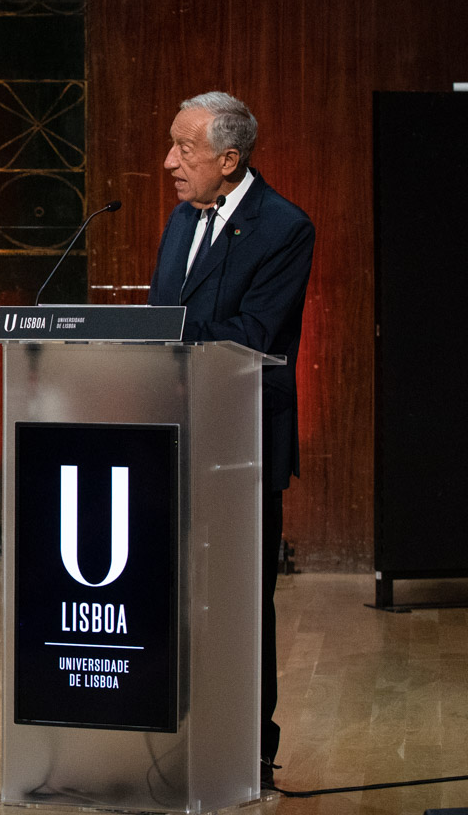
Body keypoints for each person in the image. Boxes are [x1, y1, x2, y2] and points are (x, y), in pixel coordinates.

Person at [147, 92, 313, 789]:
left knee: (240, 602)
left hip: (241, 442)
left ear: (229, 159)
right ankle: (169, 740)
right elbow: (161, 315)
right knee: (170, 597)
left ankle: (247, 750)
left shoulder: (284, 227)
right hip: (169, 437)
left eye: (184, 148)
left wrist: (159, 335)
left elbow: (253, 335)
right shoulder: (182, 218)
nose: (169, 162)